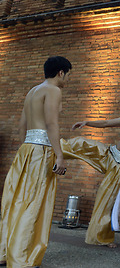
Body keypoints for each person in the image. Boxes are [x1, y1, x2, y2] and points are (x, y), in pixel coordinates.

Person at [0, 56, 72, 268]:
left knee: (15, 201)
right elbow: (51, 123)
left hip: (26, 149)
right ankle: (21, 257)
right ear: (61, 72)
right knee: (34, 202)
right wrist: (59, 154)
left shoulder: (32, 91)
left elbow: (22, 125)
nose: (68, 79)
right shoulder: (53, 90)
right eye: (69, 75)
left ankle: (5, 252)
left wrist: (28, 148)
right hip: (41, 150)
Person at [62, 99, 120, 248]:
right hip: (108, 153)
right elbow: (106, 124)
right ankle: (51, 151)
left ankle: (102, 238)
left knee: (106, 202)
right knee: (81, 143)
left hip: (119, 167)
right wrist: (87, 122)